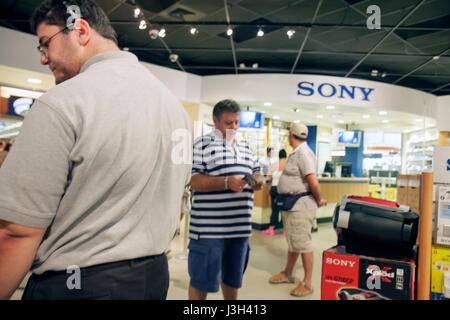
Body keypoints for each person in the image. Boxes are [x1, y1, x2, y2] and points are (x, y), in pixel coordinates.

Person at [0, 0, 192, 300]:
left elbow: (16, 232)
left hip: (78, 283)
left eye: (45, 44)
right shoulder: (173, 107)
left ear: (81, 29)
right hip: (153, 278)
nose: (43, 58)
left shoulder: (63, 103)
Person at [188, 99, 263, 300]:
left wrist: (258, 181)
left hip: (240, 230)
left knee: (232, 280)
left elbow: (256, 171)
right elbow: (193, 181)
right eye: (229, 123)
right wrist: (226, 182)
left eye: (237, 122)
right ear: (215, 120)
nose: (234, 127)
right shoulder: (201, 145)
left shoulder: (246, 146)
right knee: (200, 281)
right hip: (208, 232)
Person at [268, 123, 326, 297]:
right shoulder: (297, 152)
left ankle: (307, 282)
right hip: (292, 205)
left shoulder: (303, 153)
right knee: (294, 241)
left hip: (300, 205)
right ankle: (287, 272)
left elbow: (312, 181)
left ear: (291, 136)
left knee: (303, 243)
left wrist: (319, 199)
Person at [261, 149, 287, 235]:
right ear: (286, 156)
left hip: (274, 188)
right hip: (284, 190)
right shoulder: (288, 165)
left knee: (274, 210)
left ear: (279, 156)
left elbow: (268, 177)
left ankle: (271, 229)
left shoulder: (273, 165)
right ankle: (285, 230)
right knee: (285, 210)